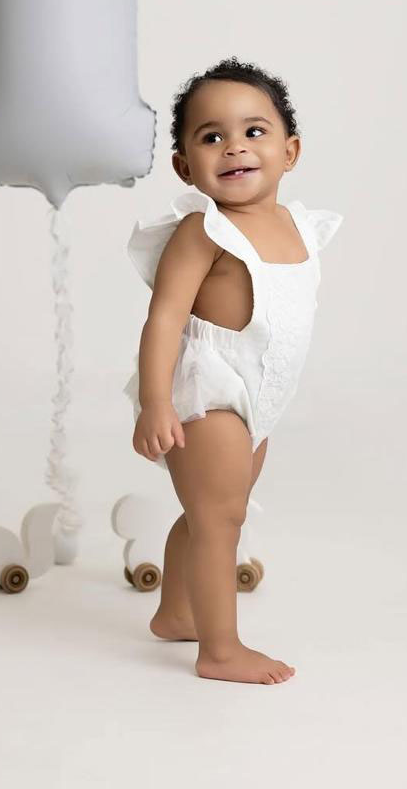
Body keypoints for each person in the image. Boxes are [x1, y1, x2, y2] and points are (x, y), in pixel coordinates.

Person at [122, 57, 344, 684]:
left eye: (254, 131)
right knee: (221, 519)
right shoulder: (204, 231)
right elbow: (164, 318)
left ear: (289, 150)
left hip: (261, 396)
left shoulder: (298, 225)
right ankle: (220, 650)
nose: (235, 147)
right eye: (211, 136)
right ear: (185, 166)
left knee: (213, 508)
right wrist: (156, 402)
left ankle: (176, 611)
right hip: (210, 388)